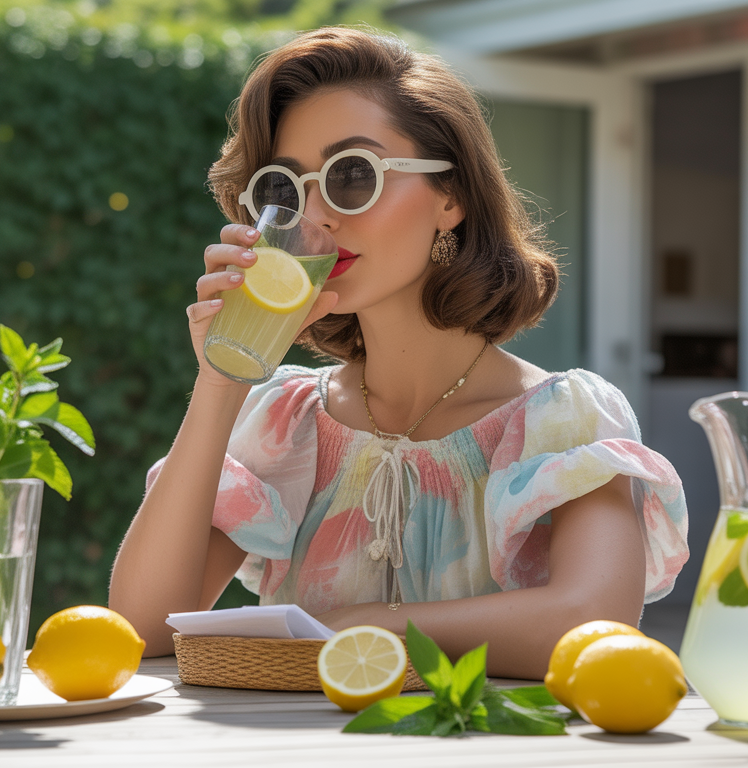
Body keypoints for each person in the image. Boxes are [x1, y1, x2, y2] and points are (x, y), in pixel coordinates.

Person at [109, 27, 687, 679]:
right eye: (288, 189)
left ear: (451, 195)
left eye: (352, 174)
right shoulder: (286, 423)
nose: (316, 215)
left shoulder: (560, 422)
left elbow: (595, 625)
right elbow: (142, 631)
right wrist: (221, 382)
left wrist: (369, 626)